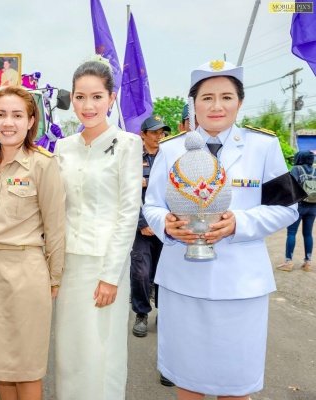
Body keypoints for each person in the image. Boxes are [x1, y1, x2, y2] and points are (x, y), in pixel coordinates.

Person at [143, 60, 301, 400]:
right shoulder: (172, 149)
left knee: (235, 381)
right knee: (188, 379)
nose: (216, 106)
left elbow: (286, 209)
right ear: (194, 104)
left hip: (241, 287)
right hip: (183, 283)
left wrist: (239, 224)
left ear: (239, 103)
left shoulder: (264, 147)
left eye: (226, 97)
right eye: (207, 97)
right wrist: (167, 225)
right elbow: (152, 205)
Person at [54, 60, 142, 400]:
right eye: (80, 97)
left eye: (96, 96)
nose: (88, 106)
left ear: (111, 97)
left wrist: (110, 275)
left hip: (105, 264)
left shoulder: (127, 144)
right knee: (70, 351)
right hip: (69, 265)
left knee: (102, 351)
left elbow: (127, 213)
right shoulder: (63, 148)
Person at [0, 86, 65, 400]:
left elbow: (55, 225)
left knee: (26, 366)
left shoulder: (43, 164)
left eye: (16, 115)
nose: (7, 122)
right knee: (0, 364)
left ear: (30, 121)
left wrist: (54, 278)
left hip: (27, 272)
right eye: (0, 115)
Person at [131, 115, 171, 339]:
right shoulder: (132, 159)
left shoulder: (170, 157)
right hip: (142, 227)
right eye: (154, 132)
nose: (159, 136)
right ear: (143, 135)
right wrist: (142, 223)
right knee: (141, 272)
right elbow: (127, 195)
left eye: (162, 132)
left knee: (164, 273)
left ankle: (164, 313)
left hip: (165, 226)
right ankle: (141, 313)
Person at [278, 150, 316, 272]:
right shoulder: (315, 170)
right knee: (308, 234)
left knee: (291, 233)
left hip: (299, 206)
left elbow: (290, 187)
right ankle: (308, 262)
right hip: (313, 206)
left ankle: (288, 262)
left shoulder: (296, 169)